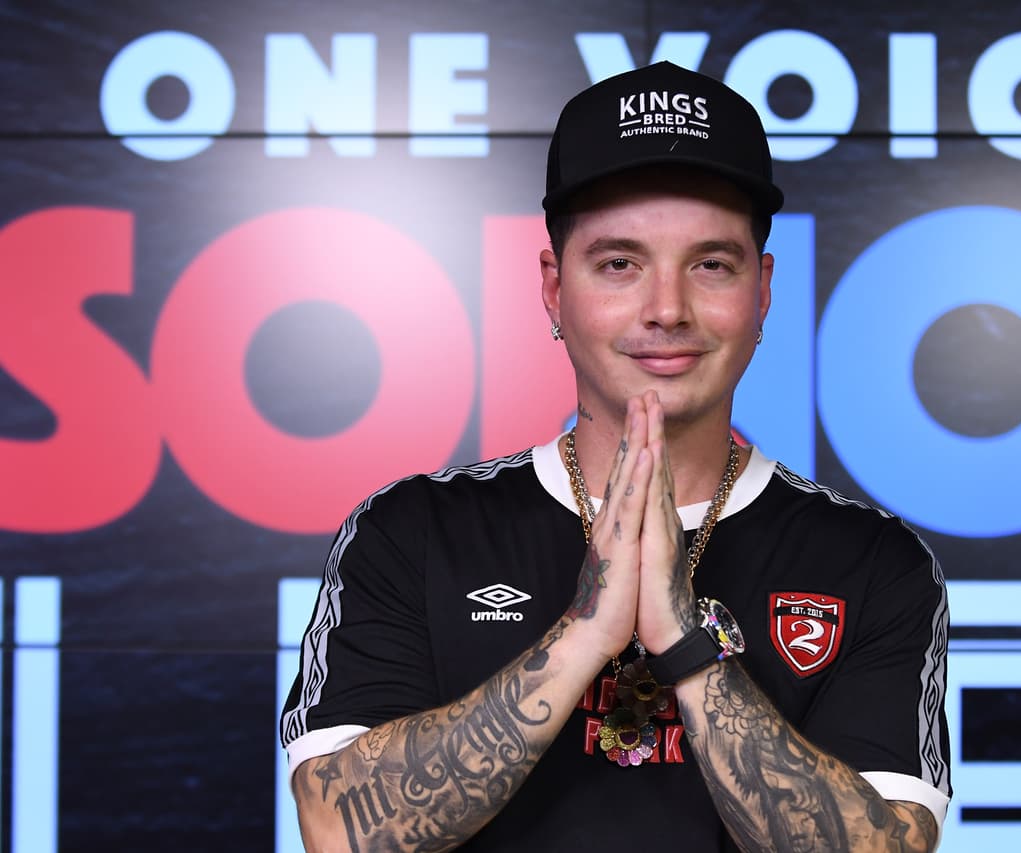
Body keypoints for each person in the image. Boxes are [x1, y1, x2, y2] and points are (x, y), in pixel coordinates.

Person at [280, 60, 950, 852]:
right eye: (619, 263)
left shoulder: (874, 562)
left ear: (762, 292)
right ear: (553, 286)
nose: (666, 309)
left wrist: (684, 643)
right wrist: (587, 631)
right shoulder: (412, 531)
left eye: (711, 264)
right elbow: (340, 829)